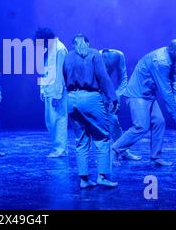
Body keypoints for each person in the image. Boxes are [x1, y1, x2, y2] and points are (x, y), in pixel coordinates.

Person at [112, 39, 176, 166]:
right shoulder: (161, 61)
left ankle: (155, 157)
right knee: (141, 126)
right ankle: (114, 150)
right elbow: (165, 90)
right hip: (137, 95)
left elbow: (175, 80)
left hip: (148, 95)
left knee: (159, 122)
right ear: (171, 50)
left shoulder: (169, 57)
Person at [63, 34, 118, 188]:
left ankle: (84, 180)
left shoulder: (67, 57)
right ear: (87, 42)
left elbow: (63, 77)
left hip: (71, 99)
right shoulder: (94, 54)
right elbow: (103, 77)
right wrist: (112, 97)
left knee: (81, 140)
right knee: (102, 137)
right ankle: (102, 176)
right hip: (90, 99)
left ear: (73, 44)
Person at [100, 48, 141, 163]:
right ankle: (102, 157)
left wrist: (116, 97)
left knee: (114, 122)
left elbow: (123, 79)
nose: (108, 68)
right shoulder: (94, 58)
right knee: (98, 126)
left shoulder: (119, 56)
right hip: (93, 92)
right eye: (106, 66)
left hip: (107, 91)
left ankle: (122, 151)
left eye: (110, 65)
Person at [35, 27, 68, 158]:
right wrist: (42, 88)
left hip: (57, 91)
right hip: (48, 90)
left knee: (59, 120)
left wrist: (57, 95)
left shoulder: (60, 49)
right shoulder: (47, 49)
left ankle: (60, 149)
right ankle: (57, 147)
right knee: (50, 121)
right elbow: (43, 70)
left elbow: (61, 74)